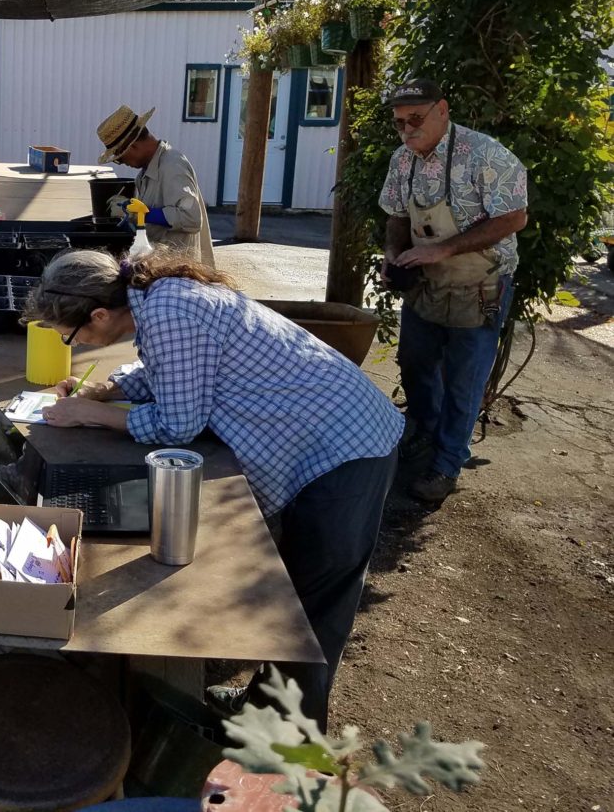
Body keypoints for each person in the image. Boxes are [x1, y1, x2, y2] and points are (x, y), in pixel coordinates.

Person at [26, 247, 402, 728]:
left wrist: (90, 413)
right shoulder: (155, 298)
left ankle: (291, 747)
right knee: (291, 590)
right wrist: (110, 390)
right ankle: (263, 707)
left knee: (311, 607)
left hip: (345, 446)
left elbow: (178, 422)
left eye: (72, 337)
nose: (76, 346)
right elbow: (174, 370)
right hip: (328, 436)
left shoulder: (168, 310)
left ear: (99, 314)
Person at [378, 79, 528, 504]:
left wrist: (443, 247)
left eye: (416, 119)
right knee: (415, 363)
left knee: (464, 381)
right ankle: (425, 430)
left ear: (442, 109)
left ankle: (446, 465)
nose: (407, 130)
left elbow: (513, 218)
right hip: (428, 283)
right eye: (400, 123)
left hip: (481, 285)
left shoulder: (486, 155)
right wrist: (394, 254)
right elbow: (395, 215)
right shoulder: (402, 161)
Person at [96, 104, 215, 268]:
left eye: (120, 158)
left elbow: (191, 218)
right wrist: (130, 212)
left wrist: (144, 214)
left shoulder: (172, 165)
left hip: (179, 269)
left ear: (134, 146)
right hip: (158, 263)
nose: (122, 163)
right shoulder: (145, 173)